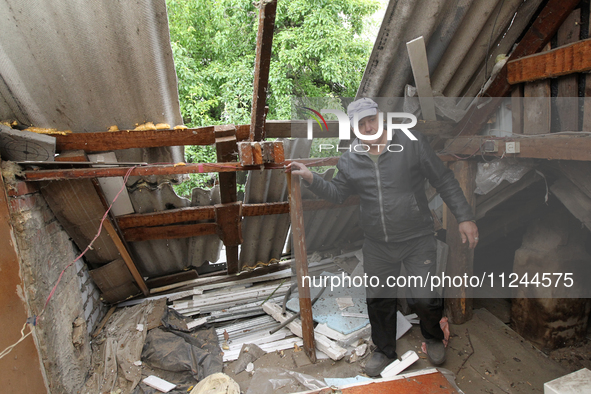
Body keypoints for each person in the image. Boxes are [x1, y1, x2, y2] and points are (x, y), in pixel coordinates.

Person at [286, 98, 478, 376]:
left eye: (371, 119)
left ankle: (434, 337)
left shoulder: (411, 143)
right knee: (379, 300)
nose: (368, 126)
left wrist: (465, 217)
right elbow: (339, 193)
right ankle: (384, 350)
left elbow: (443, 180)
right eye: (361, 123)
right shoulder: (351, 159)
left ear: (381, 117)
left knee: (425, 298)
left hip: (417, 238)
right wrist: (311, 178)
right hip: (377, 243)